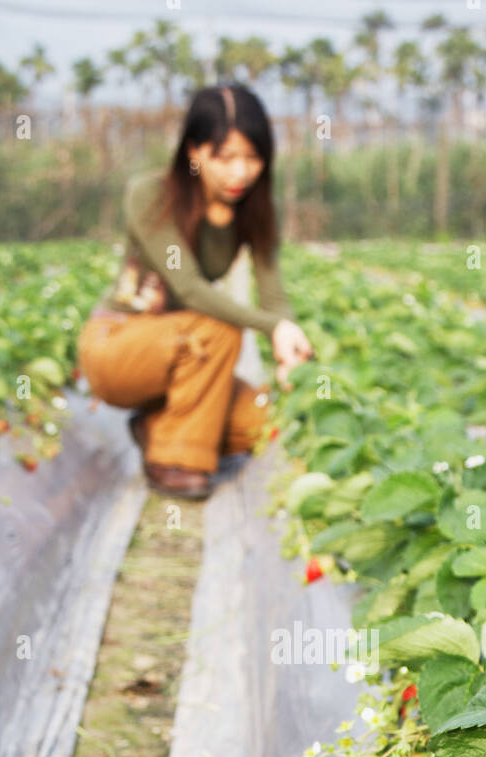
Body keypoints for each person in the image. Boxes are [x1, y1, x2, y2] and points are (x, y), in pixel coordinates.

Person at [77, 83, 314, 498]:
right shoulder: (150, 196)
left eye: (253, 157)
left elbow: (274, 297)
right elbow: (187, 287)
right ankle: (174, 461)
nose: (241, 172)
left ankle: (156, 427)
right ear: (194, 152)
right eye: (225, 158)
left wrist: (290, 348)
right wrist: (270, 328)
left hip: (187, 355)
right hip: (118, 345)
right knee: (219, 329)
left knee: (264, 421)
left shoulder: (253, 210)